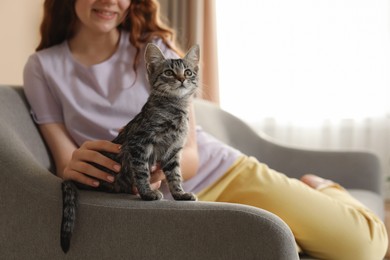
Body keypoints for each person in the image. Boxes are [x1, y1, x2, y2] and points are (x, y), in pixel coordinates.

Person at [23, 0, 387, 259]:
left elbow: (191, 152)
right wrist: (79, 167)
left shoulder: (156, 51)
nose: (109, 1)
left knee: (364, 248)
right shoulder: (43, 67)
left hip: (222, 171)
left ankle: (321, 187)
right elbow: (64, 161)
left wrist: (156, 170)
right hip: (155, 202)